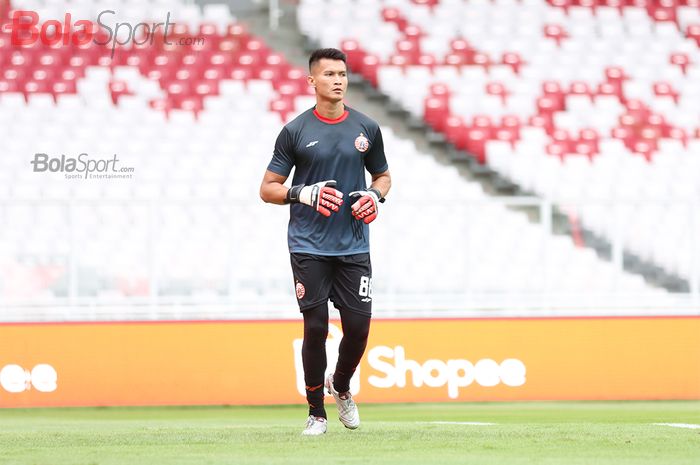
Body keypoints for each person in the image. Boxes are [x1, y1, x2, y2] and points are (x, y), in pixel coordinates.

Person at [259, 48, 391, 436]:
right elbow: (267, 189)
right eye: (330, 74)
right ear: (312, 81)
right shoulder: (295, 131)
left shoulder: (367, 128)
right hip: (308, 245)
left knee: (359, 329)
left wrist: (374, 196)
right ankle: (316, 413)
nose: (338, 80)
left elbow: (383, 177)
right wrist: (302, 193)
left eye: (343, 74)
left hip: (353, 245)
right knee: (315, 328)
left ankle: (343, 385)